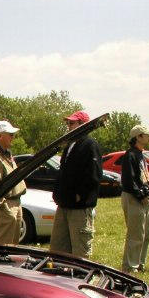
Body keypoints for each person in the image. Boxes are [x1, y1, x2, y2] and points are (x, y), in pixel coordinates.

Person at [50, 110, 102, 258]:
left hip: (79, 208)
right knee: (58, 249)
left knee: (80, 251)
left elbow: (94, 175)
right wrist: (58, 194)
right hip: (64, 204)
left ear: (83, 125)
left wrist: (81, 195)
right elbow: (63, 172)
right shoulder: (70, 145)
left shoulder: (90, 145)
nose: (68, 126)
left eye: (72, 123)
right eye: (68, 123)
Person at [120, 125, 149, 273]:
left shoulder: (141, 154)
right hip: (134, 198)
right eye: (147, 134)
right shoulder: (130, 155)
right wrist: (141, 195)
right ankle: (130, 265)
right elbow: (129, 180)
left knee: (145, 233)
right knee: (136, 233)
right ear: (138, 137)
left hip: (145, 198)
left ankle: (140, 262)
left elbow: (144, 177)